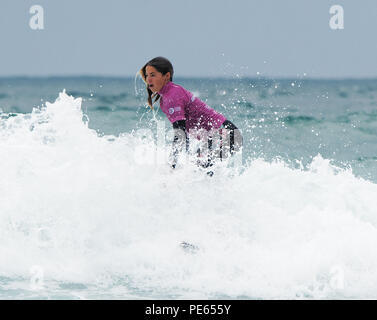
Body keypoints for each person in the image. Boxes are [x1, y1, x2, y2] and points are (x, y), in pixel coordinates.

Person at [139, 56, 242, 172]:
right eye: (147, 75)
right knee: (199, 173)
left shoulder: (172, 96)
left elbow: (180, 133)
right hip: (223, 135)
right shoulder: (167, 96)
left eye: (153, 75)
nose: (148, 80)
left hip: (228, 135)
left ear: (166, 76)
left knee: (199, 172)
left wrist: (172, 164)